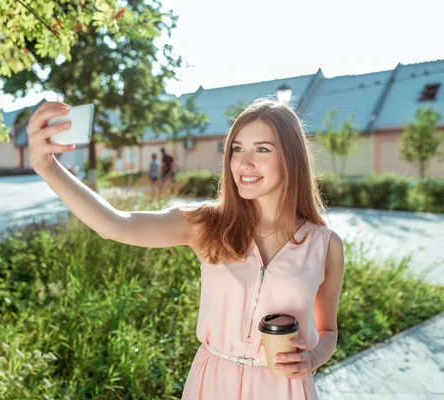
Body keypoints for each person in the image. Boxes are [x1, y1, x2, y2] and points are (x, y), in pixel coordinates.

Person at [26, 100, 345, 399]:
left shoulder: (324, 245)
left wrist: (312, 358)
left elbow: (327, 329)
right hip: (212, 382)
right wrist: (48, 167)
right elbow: (115, 224)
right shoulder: (207, 224)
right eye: (236, 149)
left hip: (283, 390)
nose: (244, 163)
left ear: (291, 158)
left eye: (262, 149)